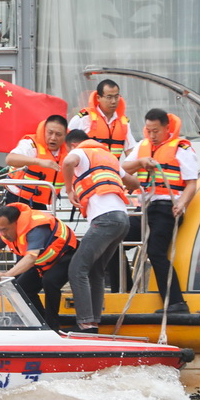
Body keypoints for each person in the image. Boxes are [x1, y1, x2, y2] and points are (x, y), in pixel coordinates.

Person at [62, 129, 141, 332]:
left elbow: (67, 163)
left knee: (77, 268)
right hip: (123, 220)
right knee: (96, 270)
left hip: (105, 220)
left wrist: (70, 190)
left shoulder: (80, 152)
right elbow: (134, 182)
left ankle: (85, 323)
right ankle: (94, 321)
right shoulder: (109, 158)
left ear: (72, 145)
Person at [121, 108, 198, 314]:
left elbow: (191, 183)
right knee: (115, 237)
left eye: (156, 131)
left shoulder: (182, 148)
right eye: (149, 131)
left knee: (155, 251)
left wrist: (181, 204)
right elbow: (124, 168)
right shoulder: (143, 146)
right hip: (145, 209)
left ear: (166, 128)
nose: (152, 135)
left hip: (166, 208)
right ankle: (126, 290)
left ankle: (176, 302)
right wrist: (140, 162)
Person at [0, 204, 77, 331]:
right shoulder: (5, 233)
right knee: (22, 287)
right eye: (0, 229)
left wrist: (7, 274)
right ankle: (41, 322)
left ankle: (53, 326)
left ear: (16, 223)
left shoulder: (35, 229)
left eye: (5, 229)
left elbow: (30, 258)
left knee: (50, 282)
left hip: (66, 255)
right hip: (43, 262)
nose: (3, 234)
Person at [3, 115, 68, 210]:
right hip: (18, 197)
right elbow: (10, 159)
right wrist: (38, 162)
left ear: (65, 135)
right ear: (44, 131)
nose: (53, 138)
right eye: (50, 133)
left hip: (41, 202)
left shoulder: (68, 150)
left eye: (58, 134)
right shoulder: (31, 144)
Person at [68, 79, 136, 159]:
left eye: (116, 97)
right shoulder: (83, 119)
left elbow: (130, 152)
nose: (113, 101)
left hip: (113, 169)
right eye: (109, 97)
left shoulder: (124, 123)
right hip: (89, 170)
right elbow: (66, 145)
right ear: (98, 98)